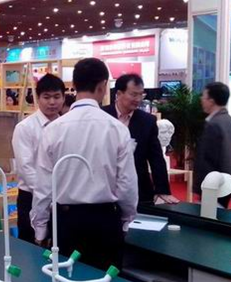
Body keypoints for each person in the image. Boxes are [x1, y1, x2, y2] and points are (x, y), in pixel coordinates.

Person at [31, 58, 138, 270]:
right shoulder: (117, 128)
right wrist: (127, 220)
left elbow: (43, 185)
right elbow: (126, 183)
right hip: (105, 220)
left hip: (66, 221)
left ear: (74, 85)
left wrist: (40, 228)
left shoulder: (53, 129)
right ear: (103, 86)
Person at [102, 74, 178, 205]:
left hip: (138, 189)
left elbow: (156, 157)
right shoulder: (102, 116)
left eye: (141, 94)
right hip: (105, 187)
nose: (138, 99)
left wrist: (162, 190)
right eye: (133, 94)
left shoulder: (147, 121)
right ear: (119, 94)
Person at [12, 74, 65, 243]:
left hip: (62, 200)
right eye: (47, 97)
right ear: (38, 98)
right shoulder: (25, 127)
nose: (52, 102)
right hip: (31, 197)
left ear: (63, 98)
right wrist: (46, 193)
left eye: (57, 97)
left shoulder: (66, 127)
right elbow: (26, 168)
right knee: (30, 248)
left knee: (58, 247)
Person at [194, 82, 231, 208]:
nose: (201, 100)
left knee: (208, 216)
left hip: (213, 186)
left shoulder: (213, 125)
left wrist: (201, 187)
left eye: (204, 96)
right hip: (227, 184)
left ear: (212, 100)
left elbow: (207, 160)